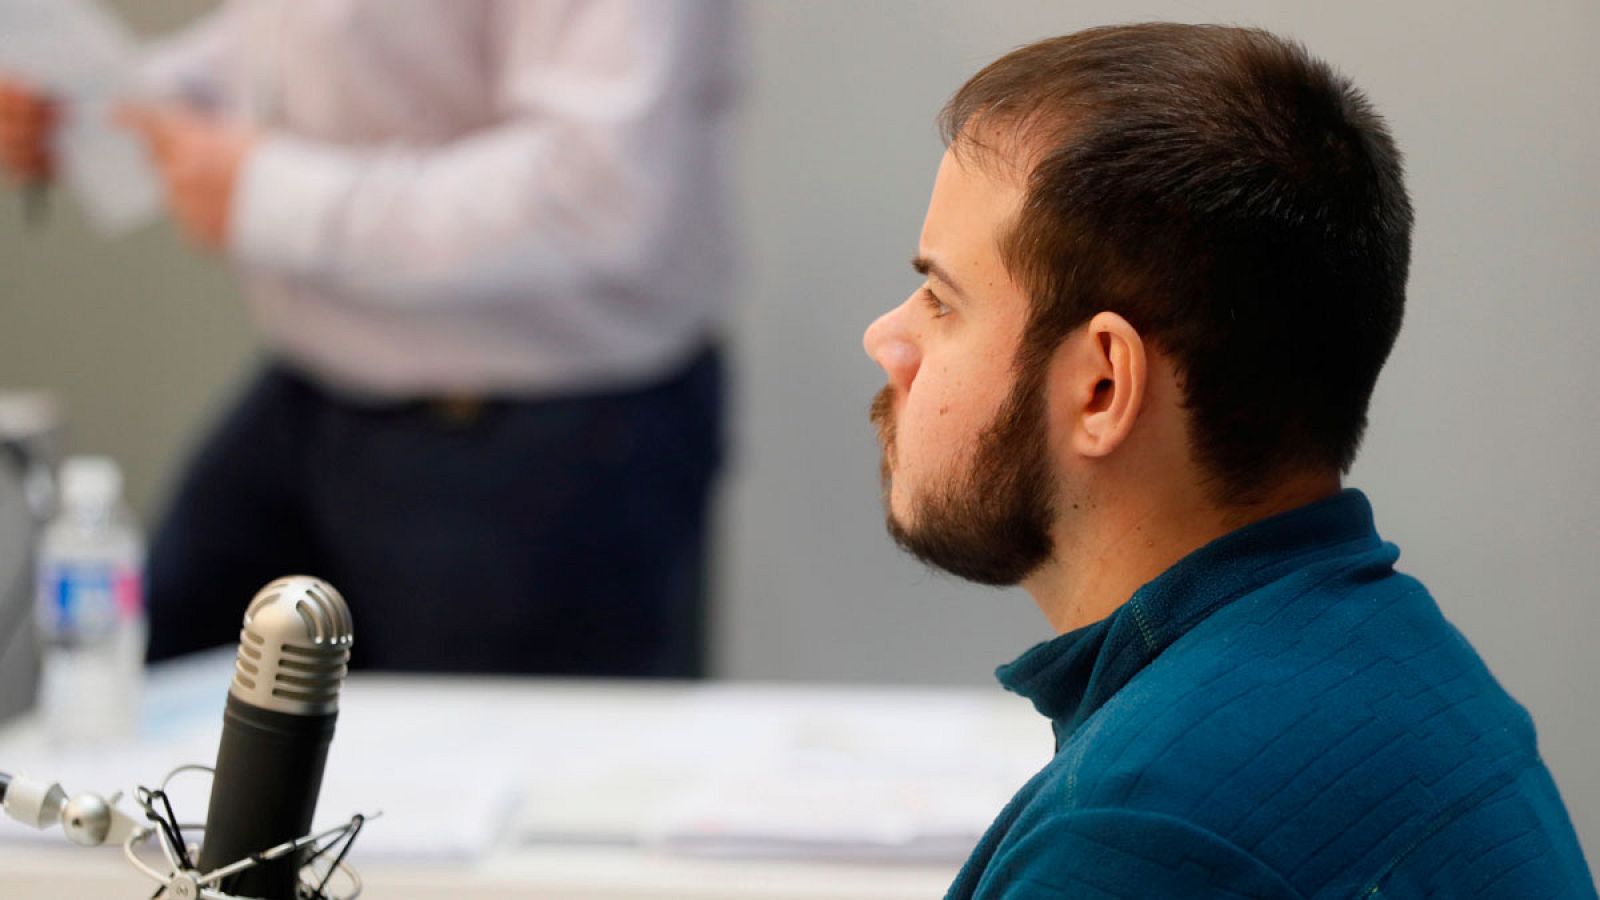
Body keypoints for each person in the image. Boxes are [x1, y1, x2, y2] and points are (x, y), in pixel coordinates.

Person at [863, 23, 1594, 898]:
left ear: (1101, 386)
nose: (888, 338)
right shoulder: (1408, 669)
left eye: (942, 299)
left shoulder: (1141, 837)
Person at [0, 1, 738, 676]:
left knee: (509, 783)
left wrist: (271, 193)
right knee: (136, 713)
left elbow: (599, 191)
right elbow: (319, 34)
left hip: (536, 429)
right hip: (316, 389)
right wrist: (114, 107)